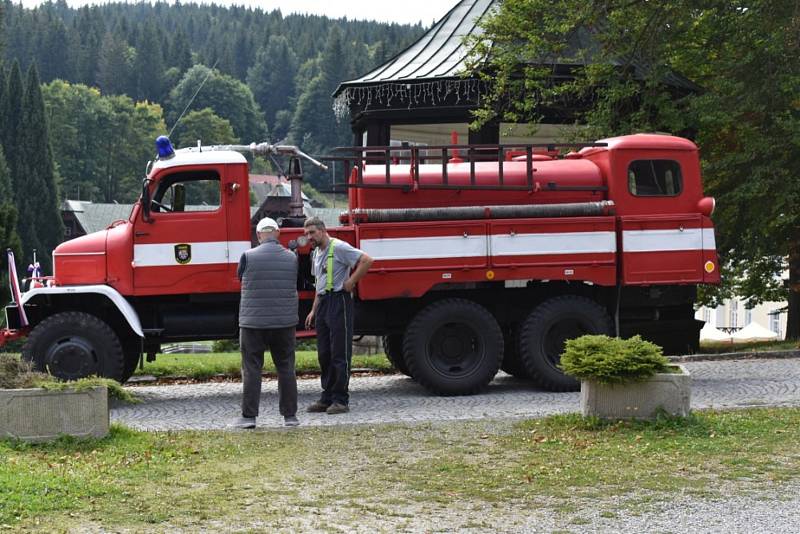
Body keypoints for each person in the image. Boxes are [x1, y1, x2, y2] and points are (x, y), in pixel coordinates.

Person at [232, 217, 300, 428]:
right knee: (286, 368)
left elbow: (240, 276)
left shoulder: (247, 256)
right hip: (284, 322)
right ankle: (290, 417)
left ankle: (248, 417)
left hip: (253, 323)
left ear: (259, 235)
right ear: (278, 234)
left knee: (252, 368)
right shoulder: (292, 258)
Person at [303, 217, 374, 414]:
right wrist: (314, 310)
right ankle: (327, 398)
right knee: (324, 353)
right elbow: (320, 283)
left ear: (323, 231)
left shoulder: (340, 247)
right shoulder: (316, 252)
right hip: (324, 302)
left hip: (339, 301)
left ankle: (341, 400)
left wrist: (351, 282)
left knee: (339, 352)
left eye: (312, 233)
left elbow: (367, 260)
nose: (309, 237)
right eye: (307, 234)